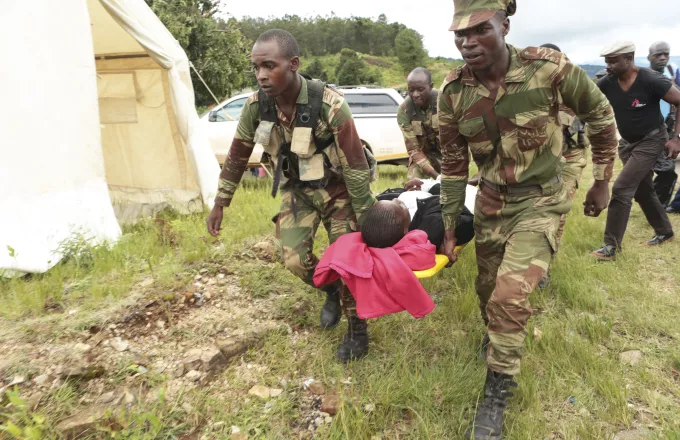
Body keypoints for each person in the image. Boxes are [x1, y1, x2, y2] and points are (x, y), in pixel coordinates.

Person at [439, 1, 618, 438]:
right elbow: (452, 164)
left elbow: (599, 114)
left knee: (508, 296)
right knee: (487, 291)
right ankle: (498, 334)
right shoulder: (453, 93)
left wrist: (602, 180)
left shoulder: (549, 69)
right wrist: (447, 227)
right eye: (459, 34)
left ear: (505, 24)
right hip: (491, 203)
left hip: (543, 199)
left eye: (479, 29)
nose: (468, 42)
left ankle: (497, 387)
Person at [205, 30, 376, 363]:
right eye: (256, 67)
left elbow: (355, 163)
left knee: (350, 262)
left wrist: (366, 214)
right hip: (297, 190)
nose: (261, 75)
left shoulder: (330, 104)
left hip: (339, 190)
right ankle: (330, 291)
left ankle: (357, 328)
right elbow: (238, 155)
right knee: (294, 260)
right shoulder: (256, 106)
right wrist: (220, 203)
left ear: (294, 64)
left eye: (270, 66)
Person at [592, 42, 680, 260]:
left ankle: (610, 247)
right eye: (606, 61)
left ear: (629, 58)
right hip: (627, 143)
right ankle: (665, 232)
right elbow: (586, 98)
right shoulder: (608, 82)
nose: (608, 66)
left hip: (652, 140)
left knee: (622, 188)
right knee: (642, 189)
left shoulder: (651, 79)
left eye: (613, 61)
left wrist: (677, 138)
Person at [537, 43, 590, 288]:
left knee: (557, 210)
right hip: (542, 161)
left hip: (571, 158)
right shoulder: (528, 89)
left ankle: (544, 266)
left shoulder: (575, 88)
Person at [397, 68, 442, 179]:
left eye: (420, 89)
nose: (415, 94)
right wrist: (435, 175)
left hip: (449, 154)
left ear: (430, 86)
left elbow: (456, 140)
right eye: (411, 90)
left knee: (455, 188)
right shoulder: (404, 110)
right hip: (423, 156)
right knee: (415, 185)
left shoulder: (445, 102)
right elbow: (413, 149)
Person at [648, 42, 679, 206]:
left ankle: (658, 207)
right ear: (649, 57)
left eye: (666, 54)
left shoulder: (671, 73)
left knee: (667, 171)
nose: (662, 58)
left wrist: (676, 135)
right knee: (641, 174)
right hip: (644, 131)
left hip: (666, 128)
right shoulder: (641, 77)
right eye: (658, 54)